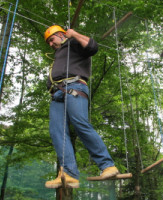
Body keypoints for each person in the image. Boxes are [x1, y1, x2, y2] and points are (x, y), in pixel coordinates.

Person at [44, 25, 119, 188]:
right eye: (48, 42)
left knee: (80, 124)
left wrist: (74, 34)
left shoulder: (74, 43)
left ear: (61, 35)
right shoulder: (60, 53)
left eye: (52, 39)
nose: (50, 44)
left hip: (74, 87)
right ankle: (69, 173)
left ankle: (107, 165)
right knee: (56, 131)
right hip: (57, 94)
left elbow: (93, 46)